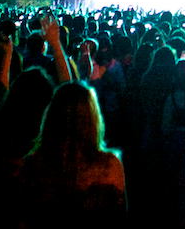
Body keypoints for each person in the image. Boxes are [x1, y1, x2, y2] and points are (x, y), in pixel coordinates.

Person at [14, 81, 127, 227]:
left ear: (53, 118)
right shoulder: (109, 166)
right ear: (92, 119)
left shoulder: (33, 166)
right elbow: (121, 220)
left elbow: (21, 220)